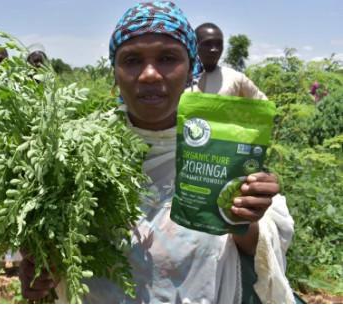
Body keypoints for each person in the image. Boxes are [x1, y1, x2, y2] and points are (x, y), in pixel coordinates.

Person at [19, 1, 295, 304]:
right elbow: (57, 255)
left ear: (191, 68)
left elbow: (257, 250)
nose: (150, 74)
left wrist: (247, 217)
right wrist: (40, 271)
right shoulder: (73, 153)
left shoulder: (223, 149)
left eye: (167, 58)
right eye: (132, 60)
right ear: (115, 71)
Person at [193, 22, 267, 100]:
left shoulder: (236, 79)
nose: (214, 49)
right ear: (194, 45)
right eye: (207, 44)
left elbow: (265, 106)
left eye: (219, 44)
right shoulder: (182, 78)